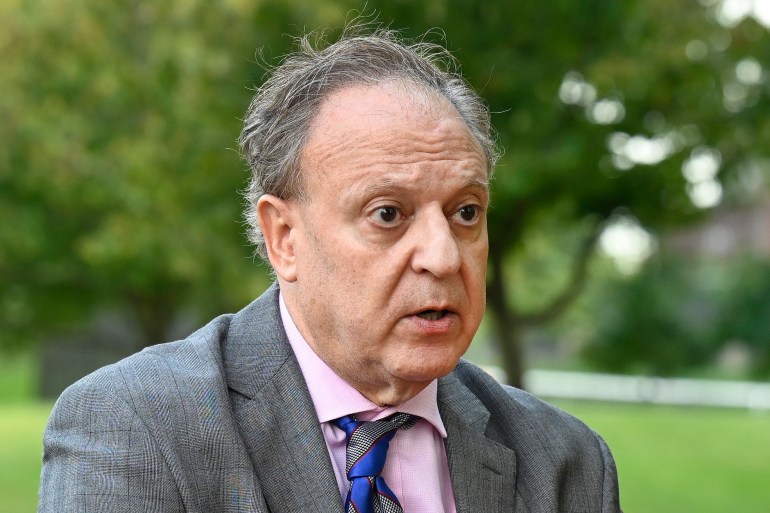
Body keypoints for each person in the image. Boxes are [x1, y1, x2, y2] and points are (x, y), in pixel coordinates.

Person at [38, 25, 621, 513]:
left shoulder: (565, 463)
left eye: (465, 212)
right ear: (284, 238)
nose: (444, 256)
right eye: (388, 214)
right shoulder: (137, 427)